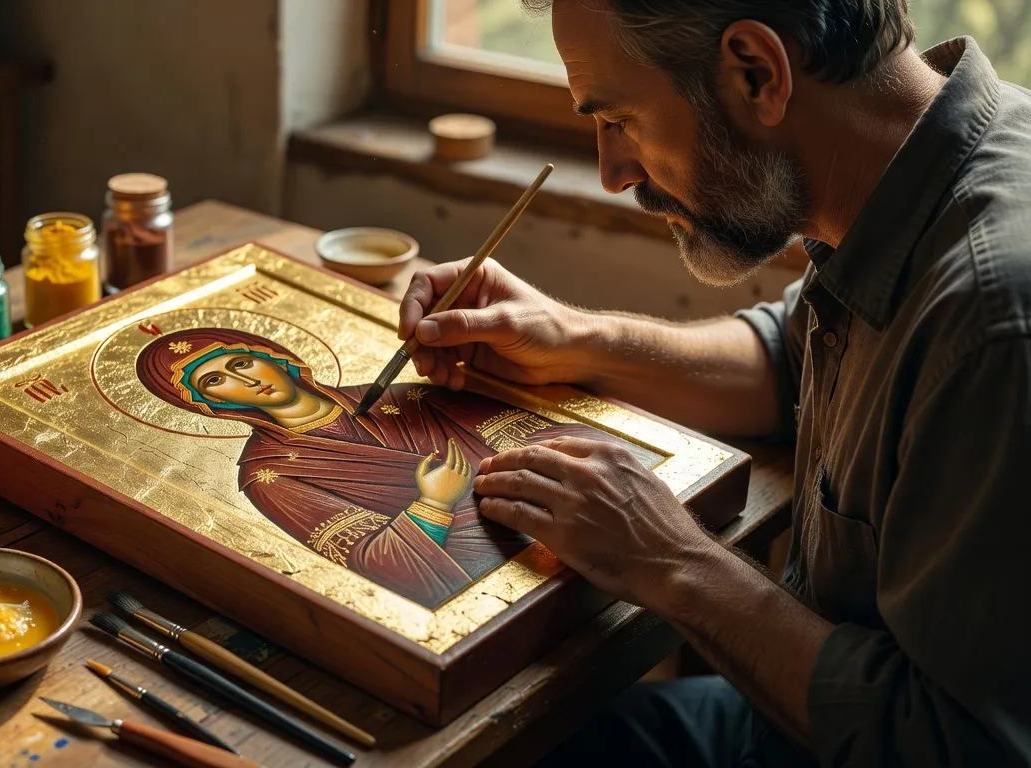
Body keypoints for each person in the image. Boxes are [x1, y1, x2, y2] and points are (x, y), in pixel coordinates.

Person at [399, 1, 1031, 765]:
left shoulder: (991, 325)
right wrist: (572, 340)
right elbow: (786, 358)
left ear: (756, 73)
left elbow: (955, 746)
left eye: (621, 120)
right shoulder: (920, 173)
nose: (612, 173)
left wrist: (674, 561)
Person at [134, 327, 659, 608]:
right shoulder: (271, 472)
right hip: (494, 581)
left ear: (276, 357)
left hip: (579, 534)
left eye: (242, 362)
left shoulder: (401, 396)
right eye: (216, 381)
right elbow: (372, 561)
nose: (245, 382)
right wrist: (433, 501)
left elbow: (548, 434)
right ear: (209, 406)